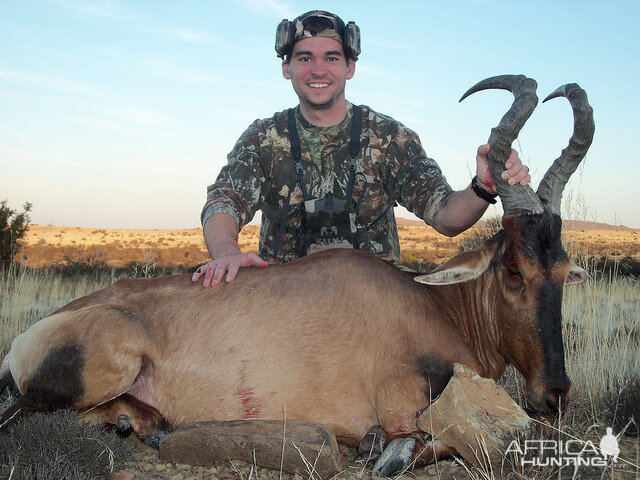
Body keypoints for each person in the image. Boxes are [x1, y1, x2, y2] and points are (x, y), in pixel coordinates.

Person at [192, 10, 530, 288]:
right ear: (287, 68)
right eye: (305, 57)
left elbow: (445, 216)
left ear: (349, 67)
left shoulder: (389, 137)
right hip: (284, 306)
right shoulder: (263, 137)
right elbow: (224, 201)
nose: (318, 70)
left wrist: (482, 187)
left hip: (374, 308)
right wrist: (226, 252)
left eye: (332, 58)